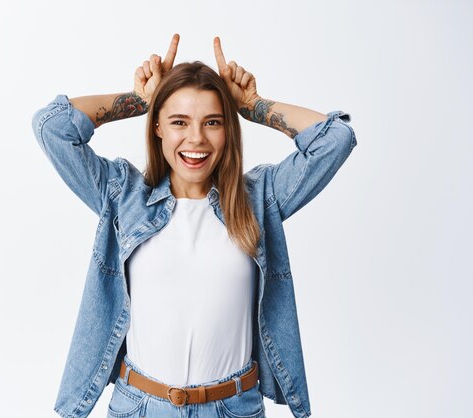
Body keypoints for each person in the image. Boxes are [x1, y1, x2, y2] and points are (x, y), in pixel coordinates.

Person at [31, 34, 357, 418]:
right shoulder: (122, 195)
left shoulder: (259, 199)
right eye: (179, 121)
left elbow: (336, 139)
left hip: (234, 407)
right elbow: (52, 128)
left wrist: (253, 105)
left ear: (228, 129)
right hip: (140, 407)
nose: (196, 138)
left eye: (213, 122)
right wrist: (138, 100)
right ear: (158, 128)